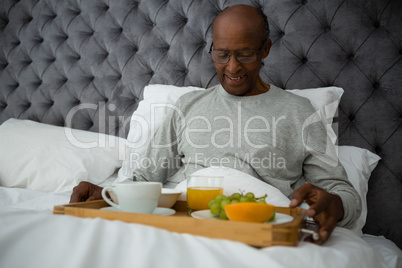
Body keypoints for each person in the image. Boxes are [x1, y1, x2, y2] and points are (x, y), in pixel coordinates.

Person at [70, 4, 361, 245]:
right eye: (222, 54)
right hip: (188, 230)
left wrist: (337, 205)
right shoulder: (186, 107)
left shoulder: (299, 112)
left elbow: (343, 193)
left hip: (257, 232)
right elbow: (144, 178)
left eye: (245, 54)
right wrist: (107, 194)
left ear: (266, 49)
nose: (232, 68)